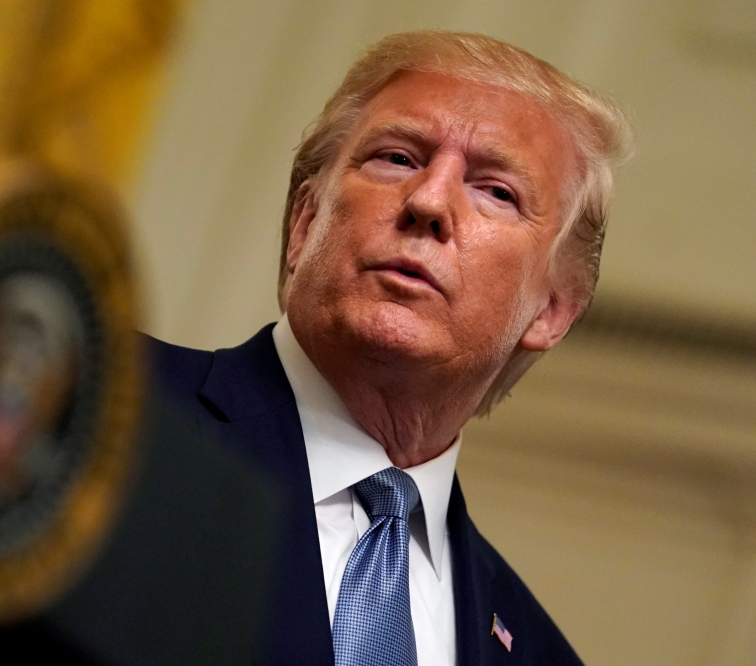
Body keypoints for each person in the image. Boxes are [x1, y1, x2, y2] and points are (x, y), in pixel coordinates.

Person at [147, 31, 633, 665]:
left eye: (496, 191)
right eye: (397, 158)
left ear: (550, 312)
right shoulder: (104, 403)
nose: (429, 201)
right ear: (303, 224)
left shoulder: (539, 654)